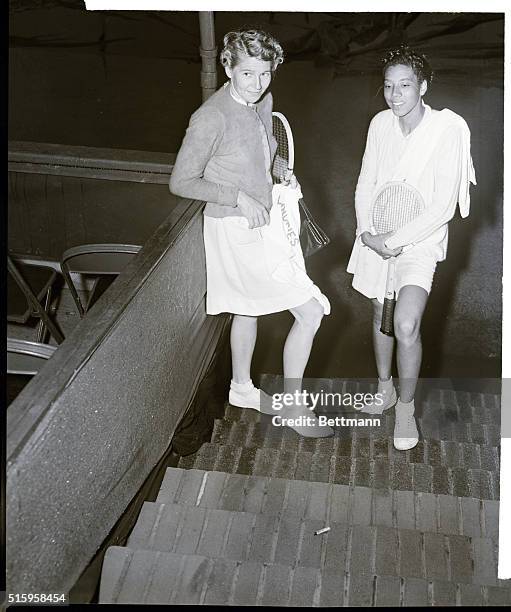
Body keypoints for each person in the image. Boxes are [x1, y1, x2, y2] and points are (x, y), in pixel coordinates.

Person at [170, 29, 333, 438]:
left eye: (265, 74)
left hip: (262, 222)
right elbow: (181, 181)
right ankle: (295, 408)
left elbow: (265, 151)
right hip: (231, 229)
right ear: (227, 67)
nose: (258, 84)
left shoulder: (264, 101)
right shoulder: (209, 118)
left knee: (247, 308)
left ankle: (241, 388)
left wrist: (278, 171)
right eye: (247, 75)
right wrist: (238, 198)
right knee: (310, 311)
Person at [347, 46, 476, 450]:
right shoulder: (379, 124)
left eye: (404, 86)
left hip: (418, 242)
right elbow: (366, 182)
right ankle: (384, 389)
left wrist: (393, 242)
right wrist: (368, 231)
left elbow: (442, 206)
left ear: (423, 86)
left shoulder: (446, 131)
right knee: (378, 312)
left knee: (405, 323)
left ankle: (405, 408)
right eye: (388, 86)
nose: (394, 95)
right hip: (376, 235)